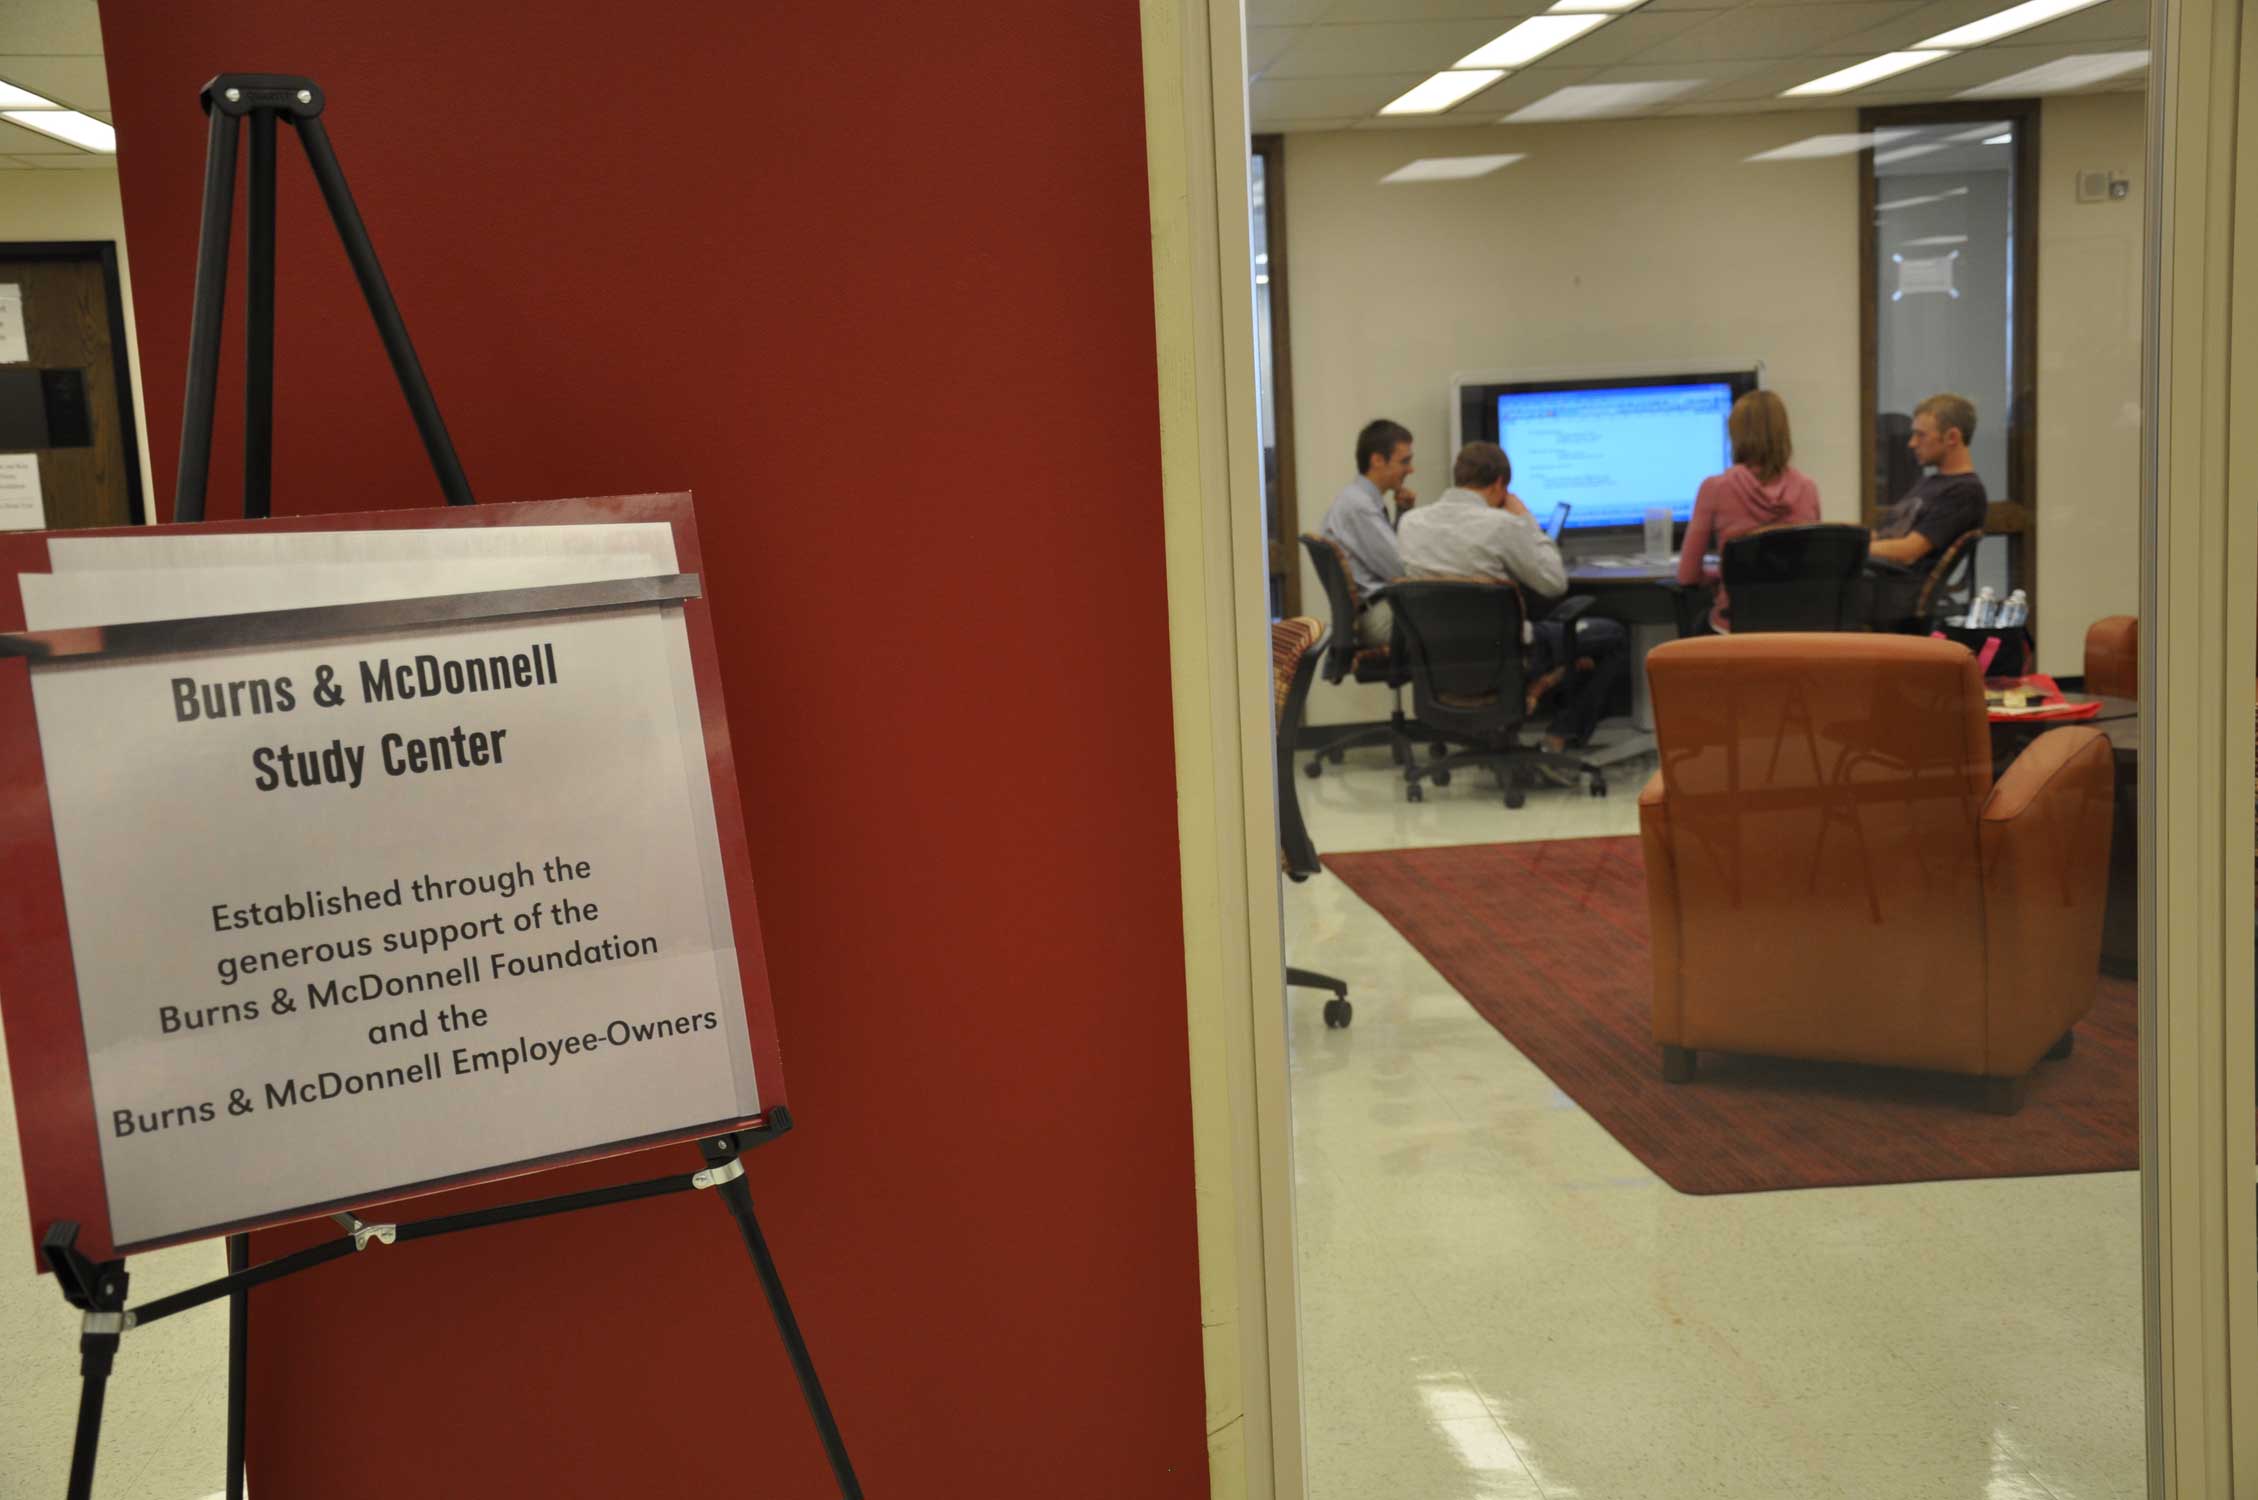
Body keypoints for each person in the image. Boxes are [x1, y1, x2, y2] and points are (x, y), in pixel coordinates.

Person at [1398, 441, 1626, 753]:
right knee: (1611, 636)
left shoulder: (1409, 523)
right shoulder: (1504, 525)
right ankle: (1559, 737)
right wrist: (1527, 520)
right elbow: (1553, 584)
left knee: (1546, 623)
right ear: (1499, 484)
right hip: (1506, 659)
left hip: (1439, 662)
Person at [1677, 390, 1822, 633]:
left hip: (1735, 626)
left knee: (1697, 625)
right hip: (1797, 627)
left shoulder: (1715, 488)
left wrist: (1721, 574)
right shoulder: (1808, 488)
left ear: (1735, 435)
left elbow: (1687, 576)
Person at [1868, 392, 1987, 625]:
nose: (1912, 443)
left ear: (1952, 437)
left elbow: (1910, 550)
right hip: (1878, 586)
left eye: (1920, 435)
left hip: (1896, 598)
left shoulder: (1965, 492)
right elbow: (1885, 536)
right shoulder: (1929, 483)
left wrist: (1854, 550)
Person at [1320, 419, 1417, 647]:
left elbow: (1387, 556)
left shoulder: (1358, 500)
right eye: (1404, 461)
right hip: (1381, 618)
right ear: (1377, 460)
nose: (1411, 469)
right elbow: (1401, 569)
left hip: (1379, 610)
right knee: (1463, 619)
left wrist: (1402, 512)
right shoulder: (1359, 507)